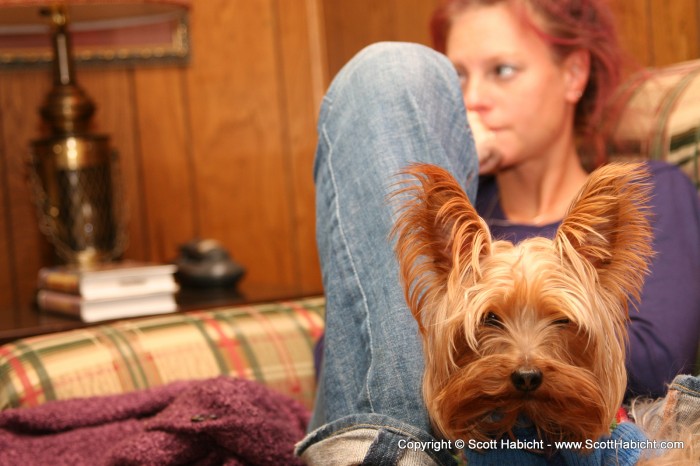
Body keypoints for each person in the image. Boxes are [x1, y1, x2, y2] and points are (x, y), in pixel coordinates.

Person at [296, 0, 700, 464]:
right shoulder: (450, 224)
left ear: (573, 74)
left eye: (502, 70)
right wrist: (454, 164)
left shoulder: (643, 193)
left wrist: (470, 343)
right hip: (423, 434)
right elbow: (350, 359)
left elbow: (658, 358)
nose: (473, 100)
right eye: (458, 80)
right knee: (392, 70)